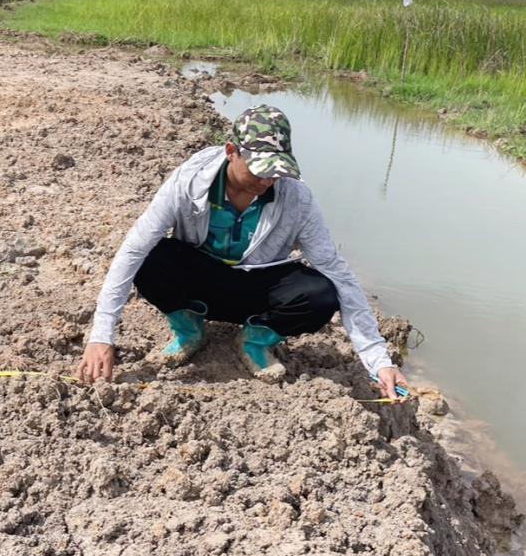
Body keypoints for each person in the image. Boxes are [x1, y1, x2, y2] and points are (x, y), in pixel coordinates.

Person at [77, 104, 410, 399]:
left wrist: (379, 362)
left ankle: (255, 340)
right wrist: (101, 335)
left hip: (257, 285)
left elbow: (339, 273)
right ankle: (189, 329)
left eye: (275, 171)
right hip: (201, 276)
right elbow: (132, 250)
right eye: (258, 170)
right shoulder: (188, 182)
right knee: (151, 258)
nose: (267, 181)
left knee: (321, 293)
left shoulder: (297, 199)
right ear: (231, 151)